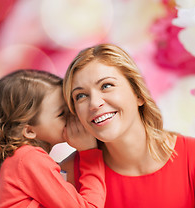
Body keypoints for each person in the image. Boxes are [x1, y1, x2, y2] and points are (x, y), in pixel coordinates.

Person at [61, 43, 195, 208]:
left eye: (106, 86)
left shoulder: (191, 157)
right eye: (80, 96)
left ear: (138, 94)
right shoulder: (69, 174)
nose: (94, 103)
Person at [0, 69, 106, 208]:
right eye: (62, 113)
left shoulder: (19, 160)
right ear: (29, 130)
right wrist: (90, 153)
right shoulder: (29, 159)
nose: (72, 116)